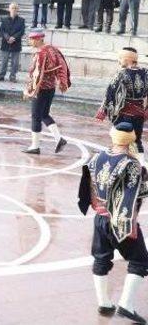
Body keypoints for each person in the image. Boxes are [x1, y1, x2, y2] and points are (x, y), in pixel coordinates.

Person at [78, 122, 148, 324]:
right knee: (140, 260)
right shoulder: (131, 164)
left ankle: (104, 302)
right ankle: (126, 305)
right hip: (120, 221)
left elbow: (91, 185)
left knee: (101, 258)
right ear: (131, 139)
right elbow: (135, 192)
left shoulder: (97, 157)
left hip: (100, 218)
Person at [96, 48, 148, 165]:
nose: (118, 61)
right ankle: (142, 166)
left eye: (120, 58)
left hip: (124, 115)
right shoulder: (145, 72)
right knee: (136, 141)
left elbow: (111, 92)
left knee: (119, 140)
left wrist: (103, 110)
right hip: (139, 114)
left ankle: (117, 164)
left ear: (126, 59)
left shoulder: (122, 73)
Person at [22, 30, 70, 154]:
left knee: (36, 116)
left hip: (41, 89)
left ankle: (35, 146)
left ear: (38, 39)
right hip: (50, 88)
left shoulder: (41, 54)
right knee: (44, 115)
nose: (30, 41)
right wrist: (62, 81)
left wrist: (29, 91)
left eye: (32, 39)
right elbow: (62, 65)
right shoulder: (53, 50)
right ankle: (59, 139)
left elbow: (36, 75)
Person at [0, 3, 25, 83]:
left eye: (15, 8)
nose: (14, 10)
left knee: (15, 62)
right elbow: (2, 30)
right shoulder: (4, 19)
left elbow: (21, 31)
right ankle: (1, 75)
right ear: (9, 9)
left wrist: (14, 37)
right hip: (6, 43)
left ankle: (12, 76)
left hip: (16, 43)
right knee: (4, 61)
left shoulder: (21, 20)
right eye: (12, 8)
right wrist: (8, 37)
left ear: (17, 10)